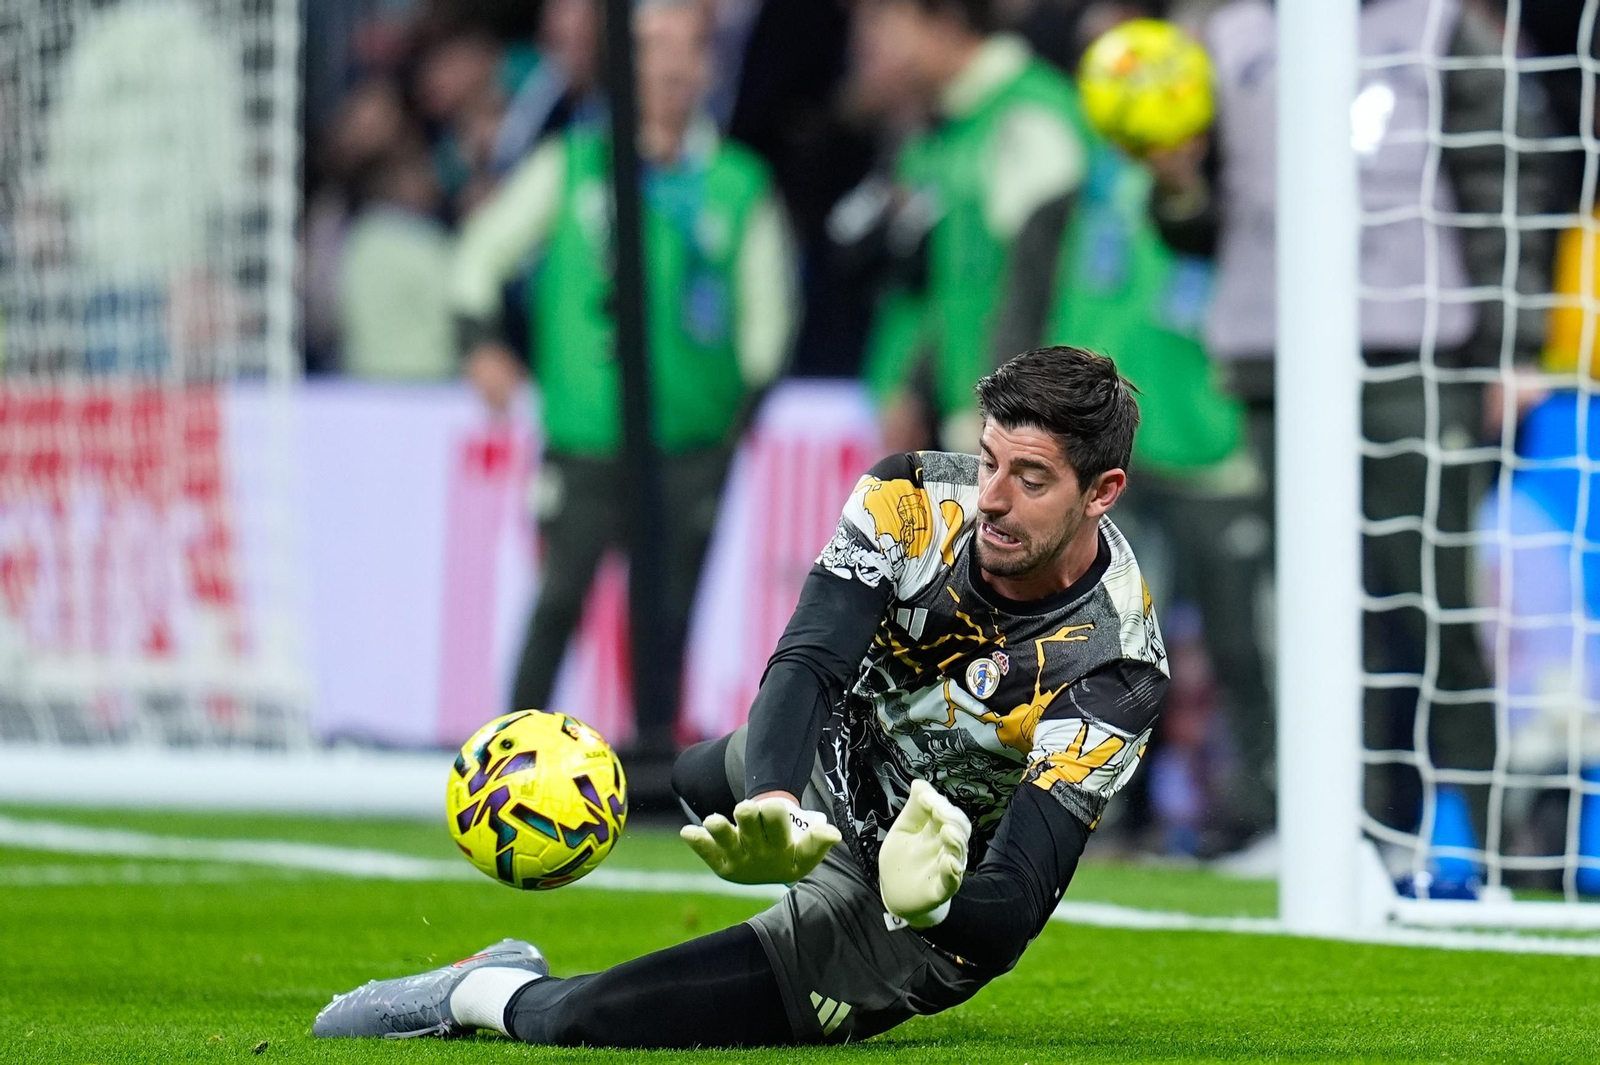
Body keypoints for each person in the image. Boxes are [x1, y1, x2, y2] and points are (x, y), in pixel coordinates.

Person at [312, 345, 1169, 1046]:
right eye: (987, 460)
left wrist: (934, 897)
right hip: (832, 751)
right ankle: (644, 793)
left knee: (596, 1019)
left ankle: (482, 988)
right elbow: (810, 660)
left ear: (1102, 492)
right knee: (655, 783)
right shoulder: (910, 498)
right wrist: (773, 797)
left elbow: (1016, 898)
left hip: (903, 908)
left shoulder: (1115, 666)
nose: (989, 497)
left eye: (1030, 477)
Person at [1145, 0, 1560, 847]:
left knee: (1430, 602)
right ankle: (1350, 840)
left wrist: (1512, 343)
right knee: (1313, 610)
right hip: (1275, 358)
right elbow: (1198, 228)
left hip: (1412, 352)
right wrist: (1177, 181)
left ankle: (1484, 835)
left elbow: (1503, 179)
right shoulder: (1225, 38)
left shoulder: (1442, 24)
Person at [453, 0, 797, 750]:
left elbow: (768, 313)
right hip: (586, 434)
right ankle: (509, 752)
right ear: (621, 63)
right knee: (558, 602)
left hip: (692, 437)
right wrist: (481, 341)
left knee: (671, 612)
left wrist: (742, 405)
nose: (671, 65)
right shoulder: (574, 165)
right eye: (651, 47)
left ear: (709, 65)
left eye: (688, 48)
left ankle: (650, 756)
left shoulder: (738, 183)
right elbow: (480, 255)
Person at [855, 0, 1093, 453]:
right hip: (976, 416)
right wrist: (905, 384)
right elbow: (937, 285)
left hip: (1030, 433)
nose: (870, 41)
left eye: (886, 19)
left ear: (946, 20)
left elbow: (1042, 286)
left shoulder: (1028, 117)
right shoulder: (945, 129)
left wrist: (1011, 418)